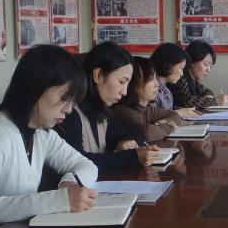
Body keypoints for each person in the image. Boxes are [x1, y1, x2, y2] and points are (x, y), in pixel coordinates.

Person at [0, 45, 100, 226]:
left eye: (72, 102)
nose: (68, 109)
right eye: (64, 98)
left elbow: (87, 166)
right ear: (36, 87)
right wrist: (59, 200)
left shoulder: (41, 132)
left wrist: (68, 184)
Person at [55, 42, 161, 171]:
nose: (125, 92)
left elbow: (135, 134)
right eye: (121, 82)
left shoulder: (101, 112)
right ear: (98, 75)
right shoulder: (68, 113)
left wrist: (126, 141)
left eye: (127, 84)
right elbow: (77, 160)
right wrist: (133, 157)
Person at [112, 56, 185, 142]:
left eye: (155, 78)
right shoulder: (121, 111)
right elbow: (146, 133)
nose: (157, 84)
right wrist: (168, 126)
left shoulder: (144, 108)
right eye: (151, 79)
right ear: (133, 83)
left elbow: (174, 115)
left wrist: (164, 122)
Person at [172, 40, 228, 109]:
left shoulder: (194, 80)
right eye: (206, 64)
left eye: (210, 66)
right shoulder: (180, 77)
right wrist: (215, 101)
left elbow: (207, 91)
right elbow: (187, 102)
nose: (208, 70)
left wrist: (207, 97)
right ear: (192, 61)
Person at [150, 42, 199, 118]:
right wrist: (179, 113)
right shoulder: (151, 88)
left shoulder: (167, 91)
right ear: (170, 64)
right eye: (181, 68)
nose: (182, 74)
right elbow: (151, 117)